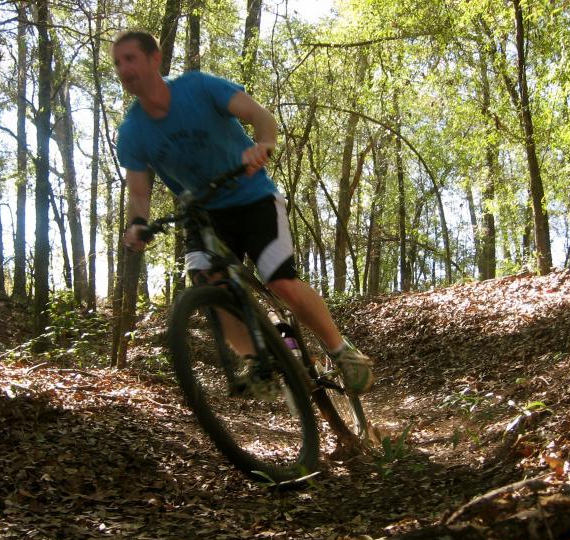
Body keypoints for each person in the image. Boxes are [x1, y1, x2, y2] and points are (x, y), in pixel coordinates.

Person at [113, 30, 374, 393]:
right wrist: (136, 224)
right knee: (207, 282)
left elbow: (259, 115)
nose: (123, 68)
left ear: (155, 59)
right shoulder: (132, 132)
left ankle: (342, 351)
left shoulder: (198, 87)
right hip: (204, 214)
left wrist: (264, 144)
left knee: (279, 279)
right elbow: (139, 192)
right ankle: (258, 361)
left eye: (130, 58)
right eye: (117, 63)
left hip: (253, 198)